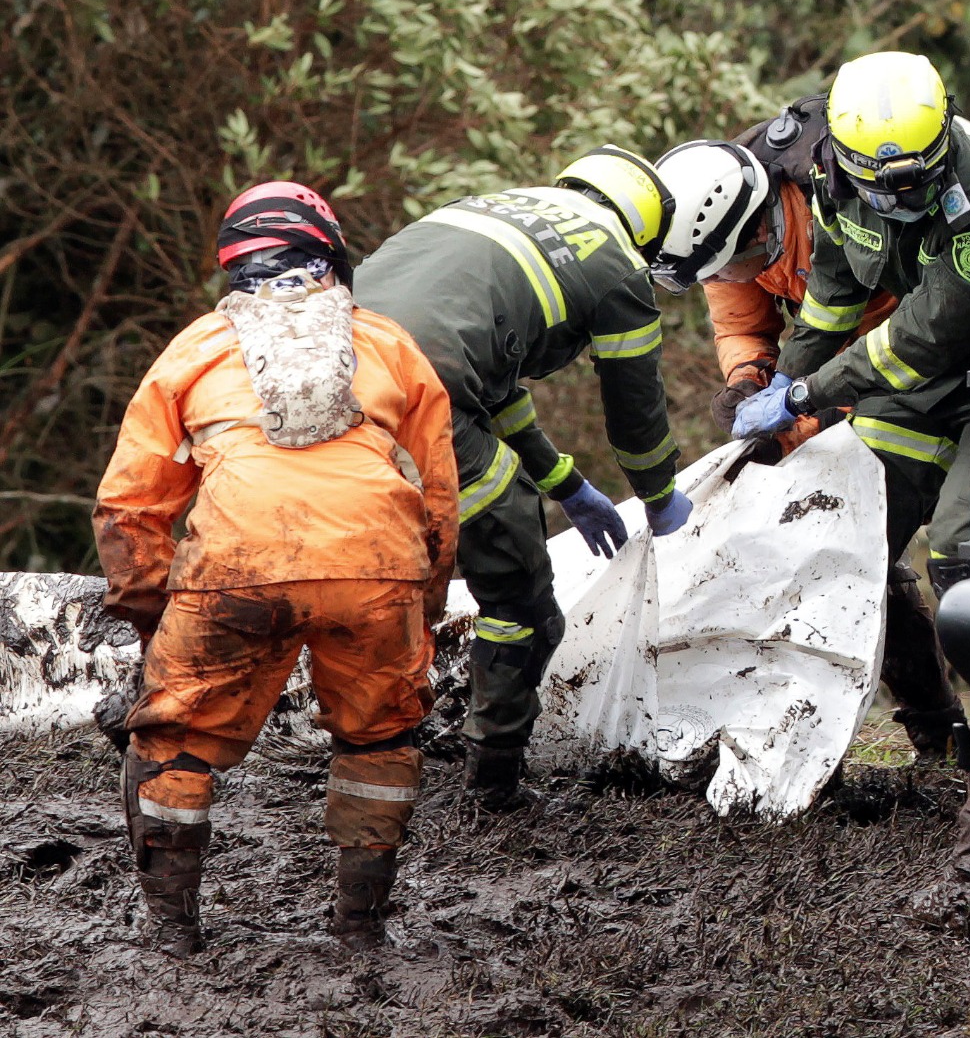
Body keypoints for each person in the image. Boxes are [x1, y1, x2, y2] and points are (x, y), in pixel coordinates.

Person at [728, 51, 970, 932]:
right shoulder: (837, 175)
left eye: (914, 186)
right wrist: (778, 401)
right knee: (846, 527)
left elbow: (909, 347)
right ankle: (921, 732)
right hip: (920, 370)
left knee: (967, 563)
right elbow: (837, 297)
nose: (899, 201)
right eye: (884, 187)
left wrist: (805, 395)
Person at [94, 181, 459, 955]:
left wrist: (154, 621)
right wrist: (419, 606)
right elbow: (437, 501)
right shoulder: (390, 343)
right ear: (332, 253)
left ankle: (171, 932)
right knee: (381, 739)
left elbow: (129, 506)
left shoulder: (195, 349)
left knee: (171, 743)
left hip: (235, 569)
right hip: (379, 570)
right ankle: (360, 929)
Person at [355, 146, 692, 812]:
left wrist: (563, 481)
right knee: (522, 601)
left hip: (320, 369)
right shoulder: (619, 264)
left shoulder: (488, 208)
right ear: (645, 229)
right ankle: (494, 789)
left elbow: (487, 371)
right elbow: (635, 417)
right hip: (424, 395)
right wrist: (661, 497)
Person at [651, 124, 963, 759]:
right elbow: (742, 324)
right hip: (827, 377)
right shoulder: (720, 238)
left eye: (741, 260)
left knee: (949, 539)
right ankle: (933, 725)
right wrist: (747, 384)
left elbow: (906, 334)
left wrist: (811, 409)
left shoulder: (842, 204)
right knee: (852, 547)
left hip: (924, 360)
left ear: (766, 221)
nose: (738, 274)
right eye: (722, 269)